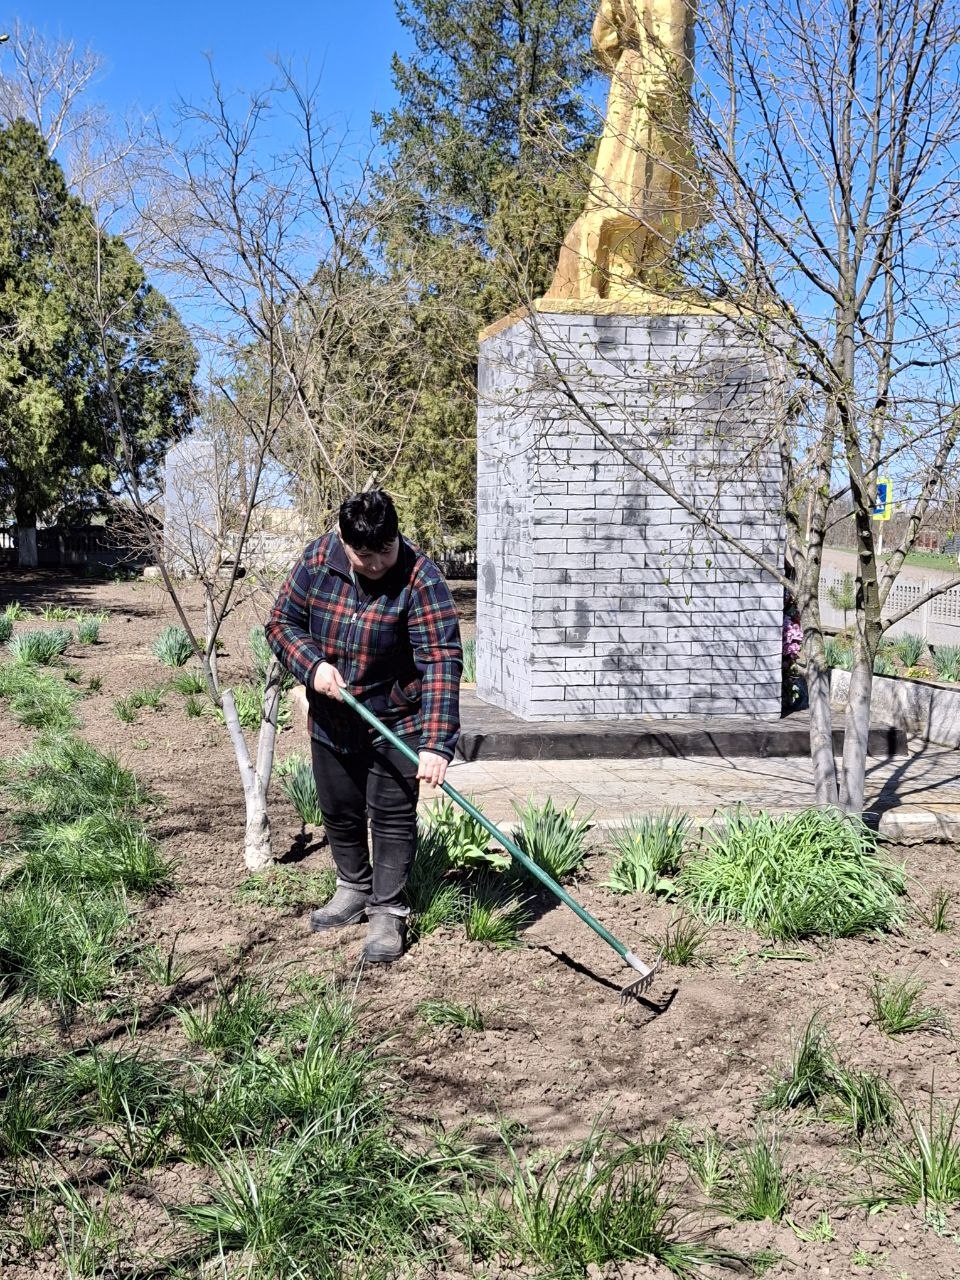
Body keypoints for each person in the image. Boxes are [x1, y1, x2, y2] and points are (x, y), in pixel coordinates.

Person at [265, 490, 462, 963]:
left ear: (397, 535)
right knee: (339, 808)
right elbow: (281, 623)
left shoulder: (420, 577)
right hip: (333, 714)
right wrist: (312, 665)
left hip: (396, 716)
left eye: (385, 552)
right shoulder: (317, 560)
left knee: (392, 815)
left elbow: (440, 659)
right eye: (363, 555)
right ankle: (353, 887)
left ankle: (388, 909)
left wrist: (436, 742)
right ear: (342, 538)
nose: (375, 565)